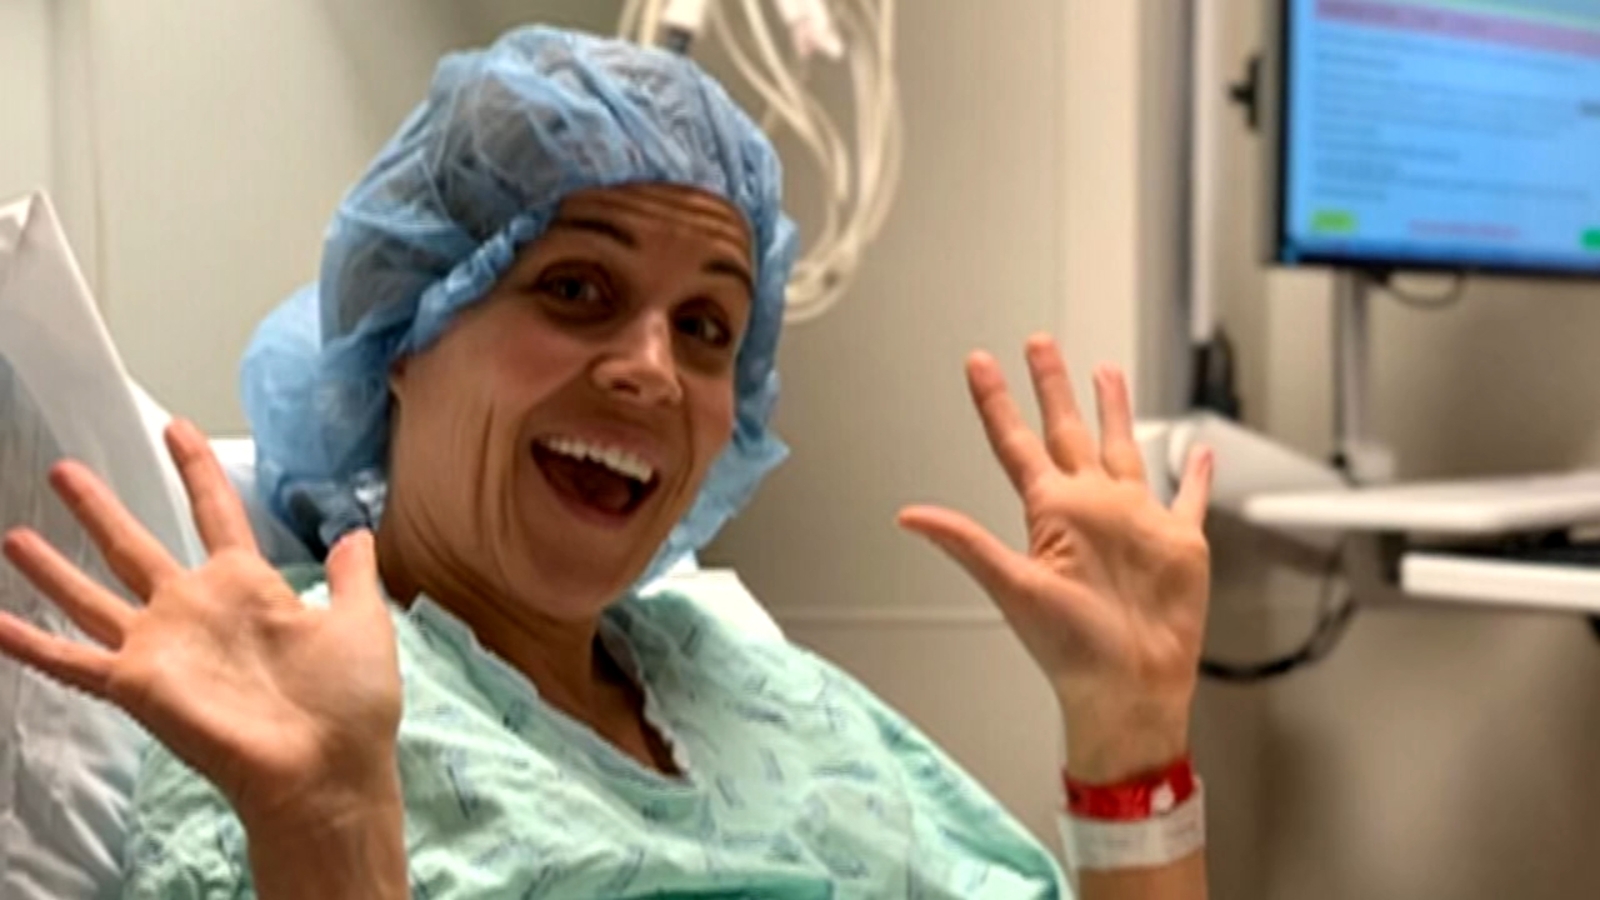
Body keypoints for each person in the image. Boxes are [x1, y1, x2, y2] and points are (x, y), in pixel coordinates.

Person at [0, 25, 1214, 900]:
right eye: (576, 288)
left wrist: (1129, 738)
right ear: (403, 334)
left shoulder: (753, 687)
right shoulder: (285, 711)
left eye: (706, 326)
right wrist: (332, 833)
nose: (652, 370)